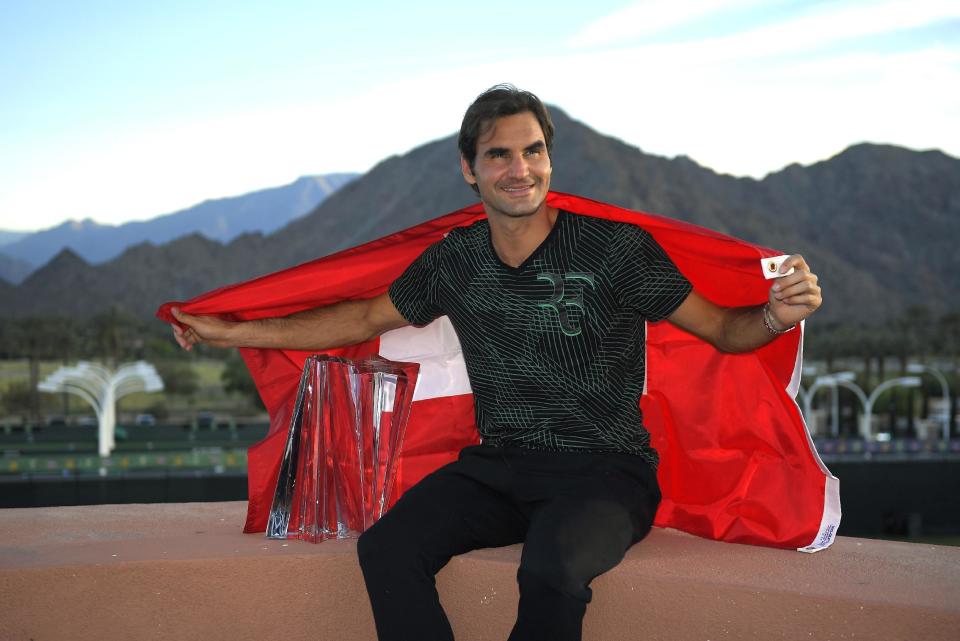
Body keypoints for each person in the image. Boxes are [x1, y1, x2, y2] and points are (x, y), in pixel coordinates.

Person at [171, 85, 822, 641]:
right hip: (501, 466)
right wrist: (235, 332)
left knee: (549, 568)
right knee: (388, 548)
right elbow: (365, 317)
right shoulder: (455, 260)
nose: (520, 168)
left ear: (549, 158)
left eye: (533, 150)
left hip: (608, 472)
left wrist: (773, 316)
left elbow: (723, 330)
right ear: (469, 168)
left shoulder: (616, 249)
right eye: (500, 154)